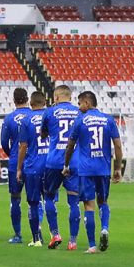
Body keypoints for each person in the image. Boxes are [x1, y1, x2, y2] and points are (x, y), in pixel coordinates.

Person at [63, 91, 123, 253]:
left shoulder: (80, 120)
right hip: (103, 169)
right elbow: (117, 146)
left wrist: (66, 164)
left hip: (86, 170)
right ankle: (104, 228)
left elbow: (70, 145)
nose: (79, 106)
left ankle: (92, 245)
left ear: (87, 103)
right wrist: (117, 167)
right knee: (103, 202)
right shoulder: (108, 120)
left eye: (80, 103)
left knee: (89, 205)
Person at [40, 85, 81, 250]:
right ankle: (73, 241)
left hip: (54, 161)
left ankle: (55, 234)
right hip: (75, 162)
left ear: (56, 97)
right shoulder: (79, 112)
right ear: (70, 97)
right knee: (74, 202)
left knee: (49, 197)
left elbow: (43, 134)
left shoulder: (49, 112)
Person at [16, 91, 49, 247]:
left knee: (33, 203)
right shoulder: (51, 116)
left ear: (31, 103)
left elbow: (23, 146)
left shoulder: (26, 120)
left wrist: (18, 168)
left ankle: (37, 238)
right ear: (45, 102)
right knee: (50, 201)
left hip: (33, 166)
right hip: (50, 165)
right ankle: (55, 234)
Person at [0, 87, 31, 244]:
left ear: (13, 100)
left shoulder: (9, 118)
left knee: (15, 198)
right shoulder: (35, 116)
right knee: (36, 199)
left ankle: (18, 234)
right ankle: (36, 233)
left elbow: (4, 143)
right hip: (34, 161)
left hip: (15, 163)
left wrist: (13, 153)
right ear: (27, 99)